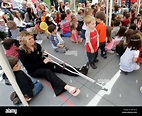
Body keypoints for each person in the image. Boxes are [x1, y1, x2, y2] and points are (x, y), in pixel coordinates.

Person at [18, 30, 89, 96]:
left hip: (42, 63)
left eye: (32, 37)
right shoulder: (22, 53)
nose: (32, 39)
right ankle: (67, 87)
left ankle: (79, 71)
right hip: (34, 70)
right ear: (24, 42)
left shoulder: (36, 45)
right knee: (47, 72)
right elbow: (29, 67)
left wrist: (45, 55)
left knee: (58, 66)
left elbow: (40, 55)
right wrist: (43, 62)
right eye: (29, 39)